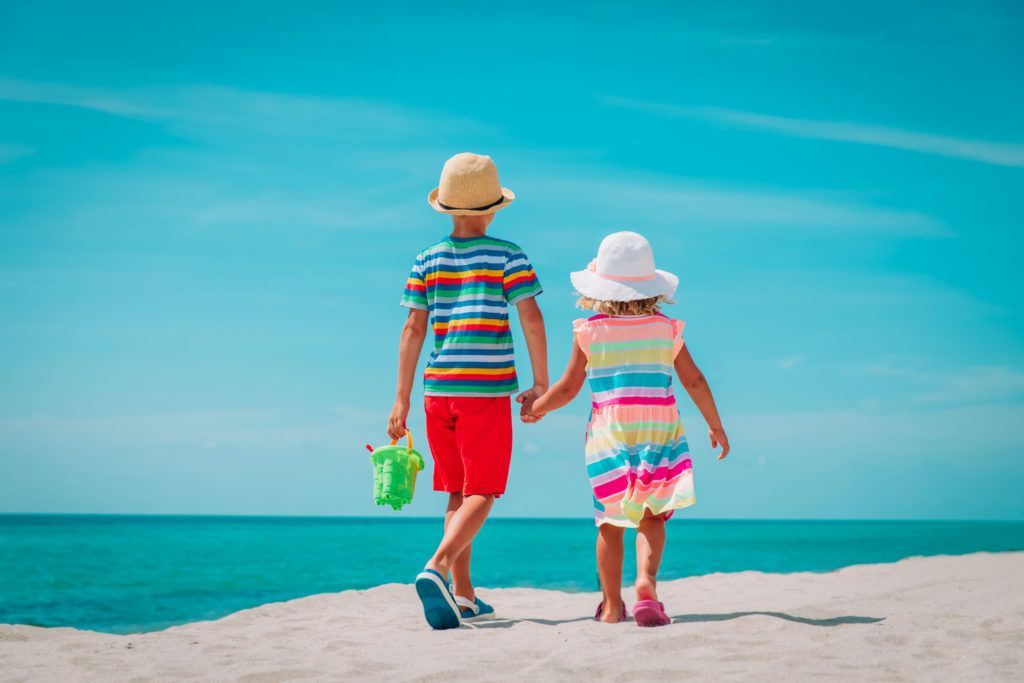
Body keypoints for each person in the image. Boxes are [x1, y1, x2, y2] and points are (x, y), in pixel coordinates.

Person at [520, 231, 729, 627]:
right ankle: (647, 582)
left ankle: (612, 605)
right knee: (651, 515)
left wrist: (537, 408)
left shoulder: (589, 330)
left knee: (610, 522)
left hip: (608, 436)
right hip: (658, 431)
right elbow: (695, 380)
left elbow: (567, 387)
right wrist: (715, 425)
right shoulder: (666, 329)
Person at [388, 152, 548, 630]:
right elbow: (532, 319)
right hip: (486, 391)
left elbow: (413, 329)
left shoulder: (427, 258)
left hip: (438, 391)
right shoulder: (508, 255)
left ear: (448, 208)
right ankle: (436, 567)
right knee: (485, 490)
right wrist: (541, 383)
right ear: (493, 208)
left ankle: (463, 595)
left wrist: (401, 398)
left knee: (457, 493)